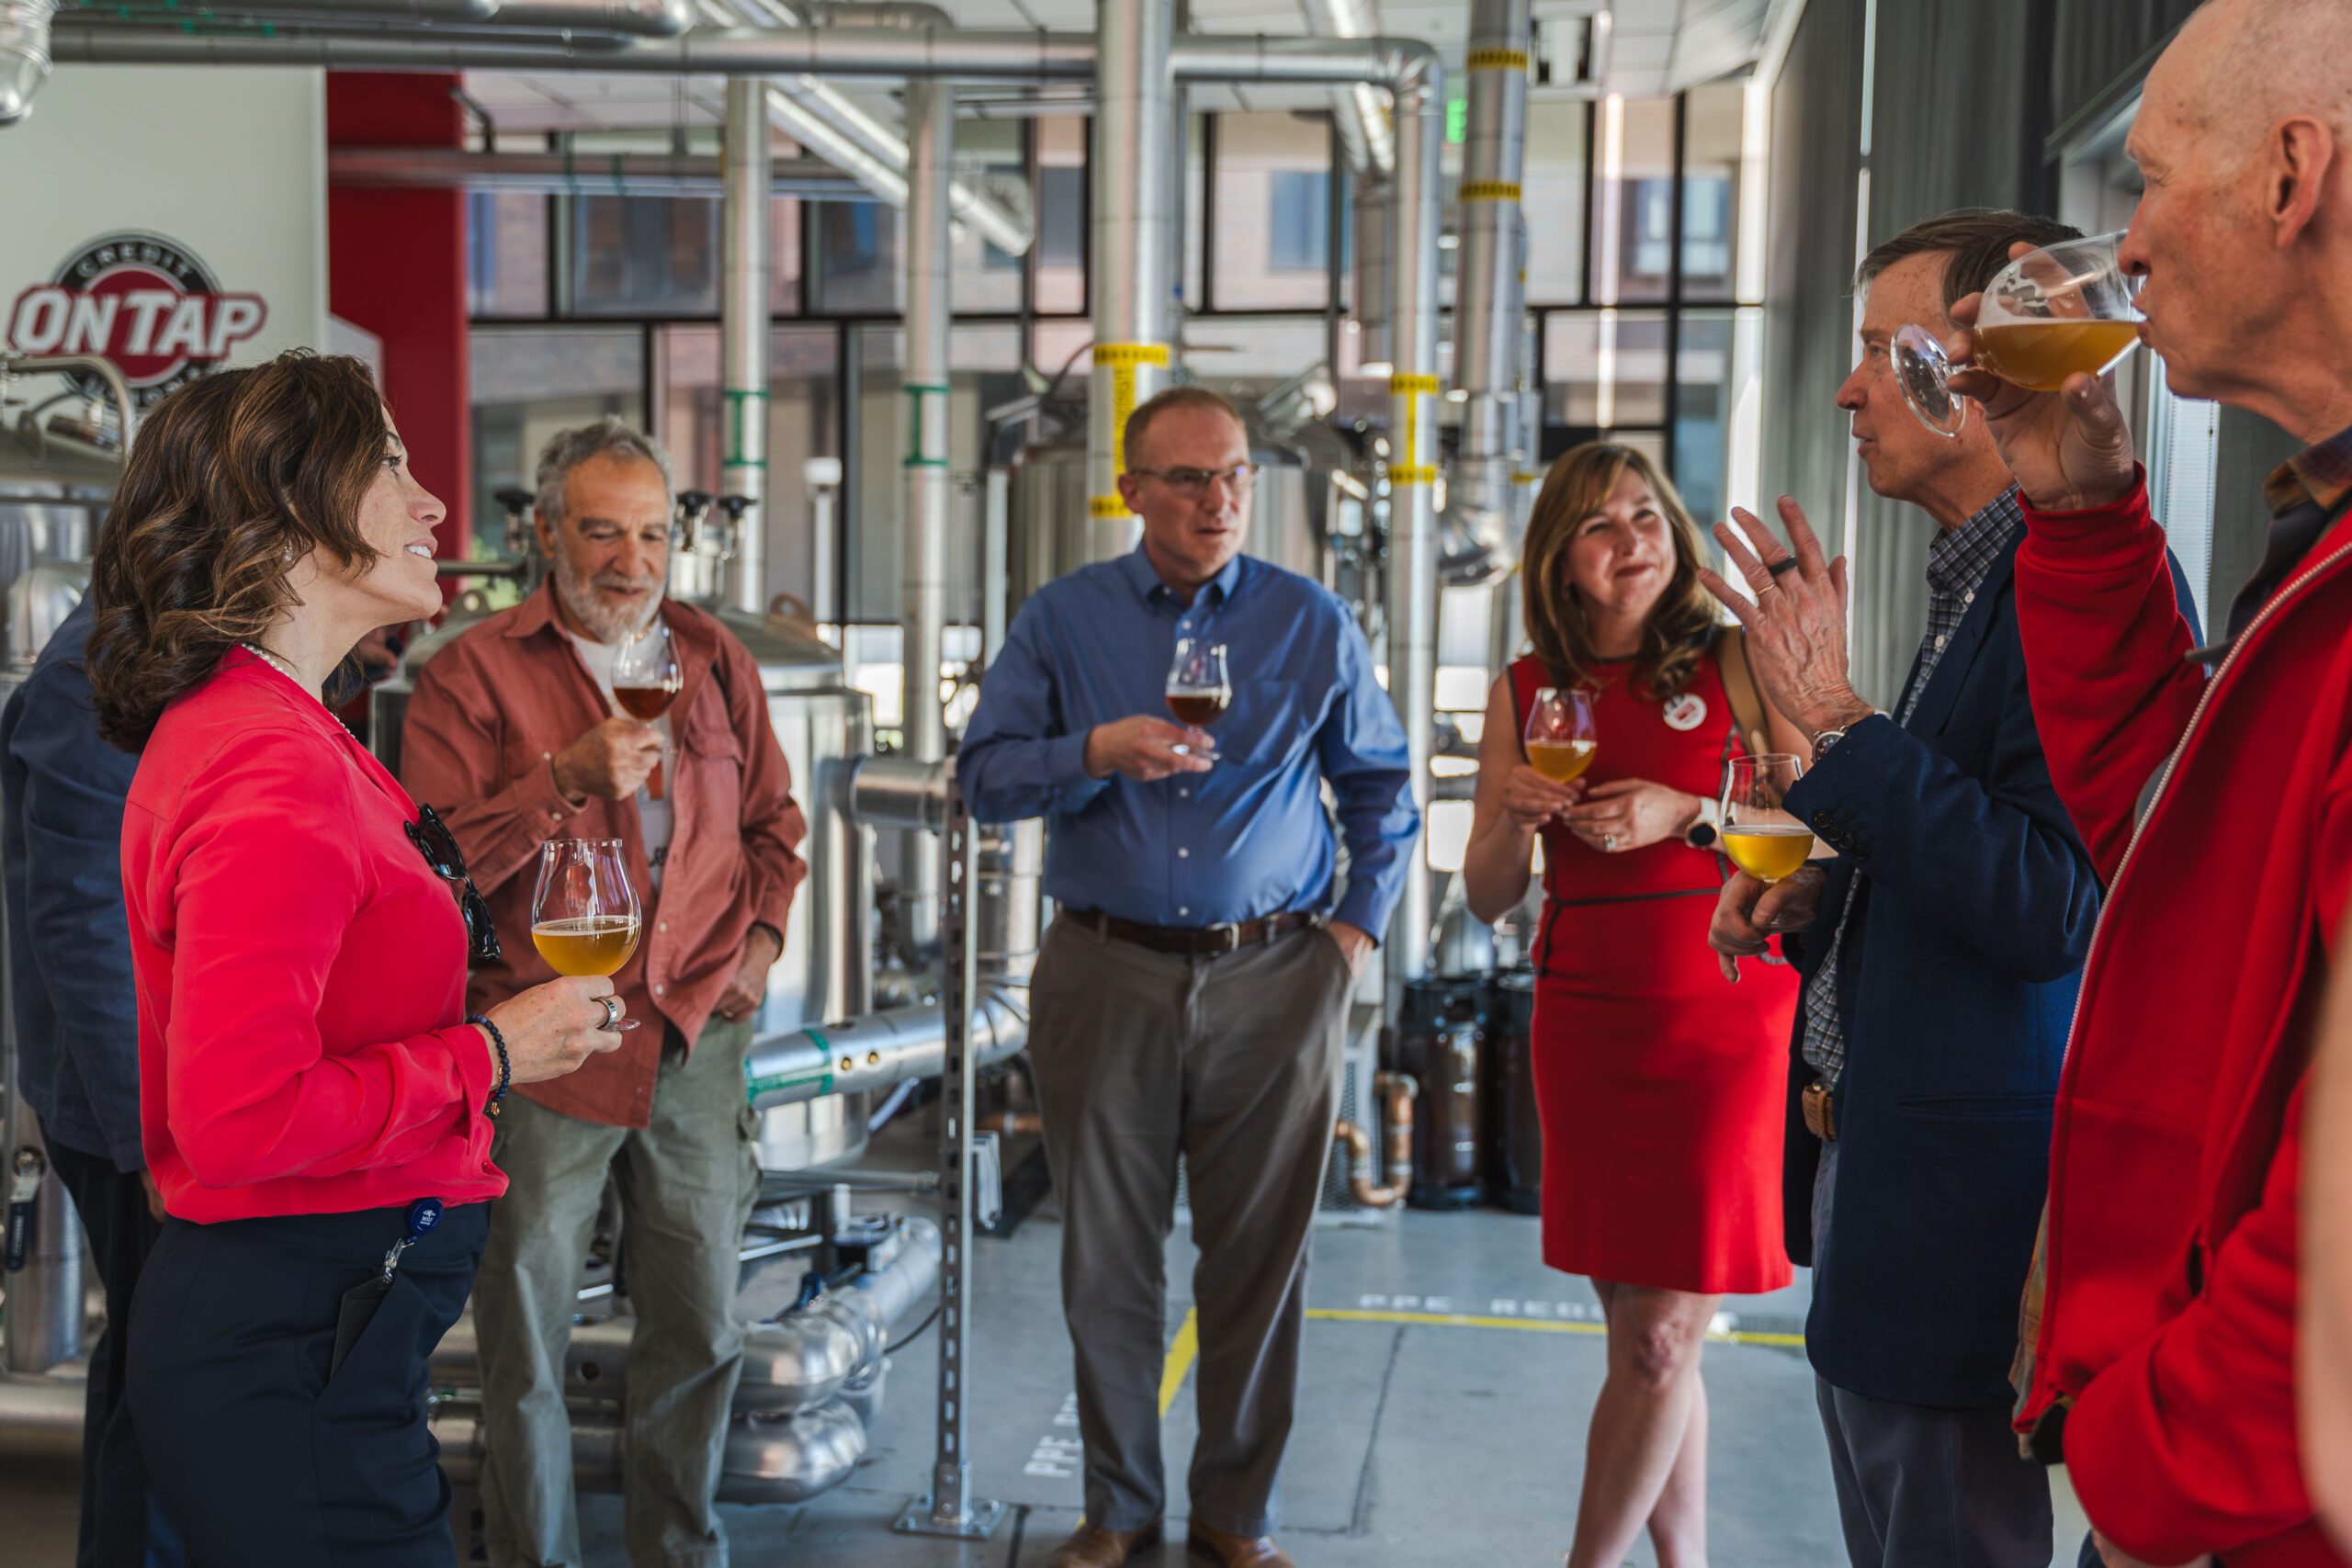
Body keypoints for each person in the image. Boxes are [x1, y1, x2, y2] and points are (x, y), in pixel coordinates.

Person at [1701, 211, 2188, 1568]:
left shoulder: (2078, 592)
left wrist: (1843, 730)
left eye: (1878, 352)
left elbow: (2053, 903)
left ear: (1976, 375)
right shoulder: (1978, 583)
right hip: (1891, 1166)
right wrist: (1817, 893)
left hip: (1967, 1198)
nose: (1850, 389)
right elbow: (1959, 850)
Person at [1934, 3, 2352, 1562]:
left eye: (2153, 178)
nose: (2127, 239)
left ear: (2290, 173)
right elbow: (2171, 830)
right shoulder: (2315, 527)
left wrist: (2146, 1453)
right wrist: (2090, 505)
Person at [85, 350, 619, 1567]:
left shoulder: (283, 721)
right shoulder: (272, 763)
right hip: (288, 1349)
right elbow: (238, 1118)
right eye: (391, 463)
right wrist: (491, 1050)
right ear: (285, 511)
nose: (433, 503)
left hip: (317, 1335)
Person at [958, 386, 1419, 1568]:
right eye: (1187, 478)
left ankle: (1235, 1513)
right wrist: (1091, 753)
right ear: (1131, 491)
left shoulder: (1310, 620)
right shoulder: (1065, 620)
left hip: (1276, 973)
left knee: (1259, 1259)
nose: (1216, 500)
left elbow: (1380, 791)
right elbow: (986, 777)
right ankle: (1116, 1508)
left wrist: (1352, 935)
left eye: (1233, 478)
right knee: (1105, 1255)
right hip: (1103, 968)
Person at [401, 418, 808, 1568]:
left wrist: (762, 945)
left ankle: (678, 1552)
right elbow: (425, 869)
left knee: (699, 1329)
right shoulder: (471, 674)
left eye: (652, 533)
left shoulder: (712, 656)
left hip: (693, 1039)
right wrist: (558, 783)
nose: (632, 560)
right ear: (543, 534)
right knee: (525, 1342)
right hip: (545, 1053)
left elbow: (776, 826)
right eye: (601, 532)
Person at [1457, 440, 1808, 1567]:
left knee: (1660, 1336)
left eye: (1647, 516)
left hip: (1720, 1007)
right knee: (1645, 1333)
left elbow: (1809, 837)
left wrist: (1691, 812)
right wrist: (1510, 815)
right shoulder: (1524, 689)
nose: (1633, 541)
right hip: (1586, 1008)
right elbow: (1486, 894)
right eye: (1604, 524)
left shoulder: (1738, 662)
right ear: (1560, 558)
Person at [0, 376, 248, 1568]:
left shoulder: (197, 644)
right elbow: (83, 927)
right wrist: (164, 1141)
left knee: (160, 1375)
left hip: (193, 1095)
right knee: (171, 1389)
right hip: (142, 1111)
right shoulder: (102, 660)